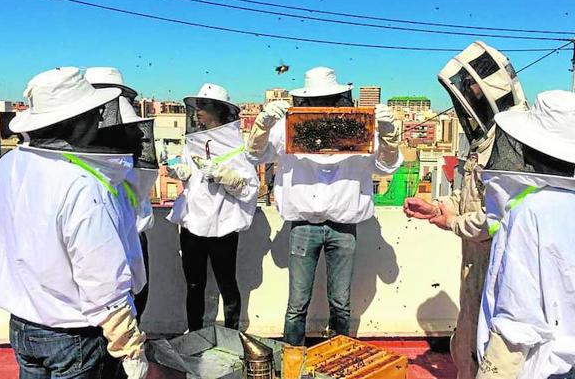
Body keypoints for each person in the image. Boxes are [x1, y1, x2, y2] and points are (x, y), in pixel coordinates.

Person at [0, 67, 148, 379]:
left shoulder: (7, 164)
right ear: (79, 121)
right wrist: (130, 348)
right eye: (92, 114)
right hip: (74, 335)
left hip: (22, 326)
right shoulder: (83, 182)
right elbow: (102, 276)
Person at [247, 66, 402, 346]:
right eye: (316, 101)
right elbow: (255, 155)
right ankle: (291, 362)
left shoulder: (357, 129)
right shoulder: (286, 129)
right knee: (297, 305)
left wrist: (389, 134)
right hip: (304, 226)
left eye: (326, 100)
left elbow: (386, 164)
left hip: (344, 228)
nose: (321, 106)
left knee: (341, 304)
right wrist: (263, 124)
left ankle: (337, 358)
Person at [402, 41, 528, 379]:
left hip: (502, 268)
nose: (469, 96)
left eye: (474, 88)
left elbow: (503, 219)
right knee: (467, 345)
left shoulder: (515, 141)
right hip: (474, 263)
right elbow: (472, 197)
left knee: (494, 355)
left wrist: (454, 221)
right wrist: (436, 209)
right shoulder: (486, 138)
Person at [474, 90, 575, 379]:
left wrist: (492, 373)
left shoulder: (531, 210)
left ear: (530, 150)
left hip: (547, 368)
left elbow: (517, 316)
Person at [166, 83, 260, 331]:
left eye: (204, 105)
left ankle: (232, 333)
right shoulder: (192, 143)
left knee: (227, 283)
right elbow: (189, 177)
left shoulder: (236, 147)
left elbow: (250, 190)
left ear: (218, 110)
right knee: (194, 284)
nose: (198, 110)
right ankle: (194, 332)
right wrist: (181, 172)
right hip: (192, 222)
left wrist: (227, 177)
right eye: (197, 105)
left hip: (223, 224)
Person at [85, 67, 159, 320]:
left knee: (137, 301)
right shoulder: (80, 147)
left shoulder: (125, 134)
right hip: (101, 236)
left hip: (134, 231)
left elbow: (144, 177)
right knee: (111, 309)